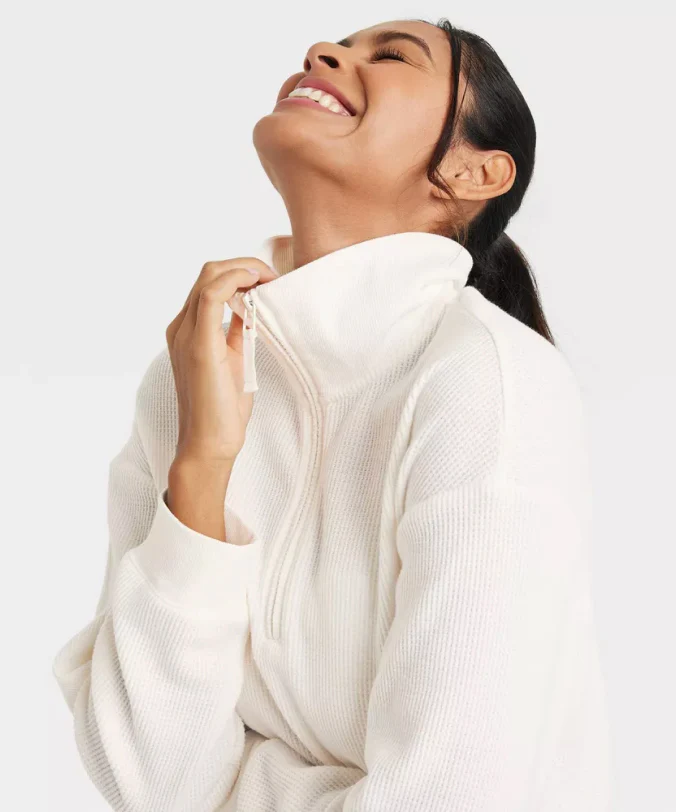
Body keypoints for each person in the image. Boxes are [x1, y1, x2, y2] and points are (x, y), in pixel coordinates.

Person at [52, 16, 612, 811]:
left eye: (393, 56)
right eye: (338, 46)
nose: (324, 54)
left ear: (473, 172)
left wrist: (240, 782)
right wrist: (202, 466)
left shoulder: (489, 382)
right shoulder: (190, 382)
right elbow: (144, 776)